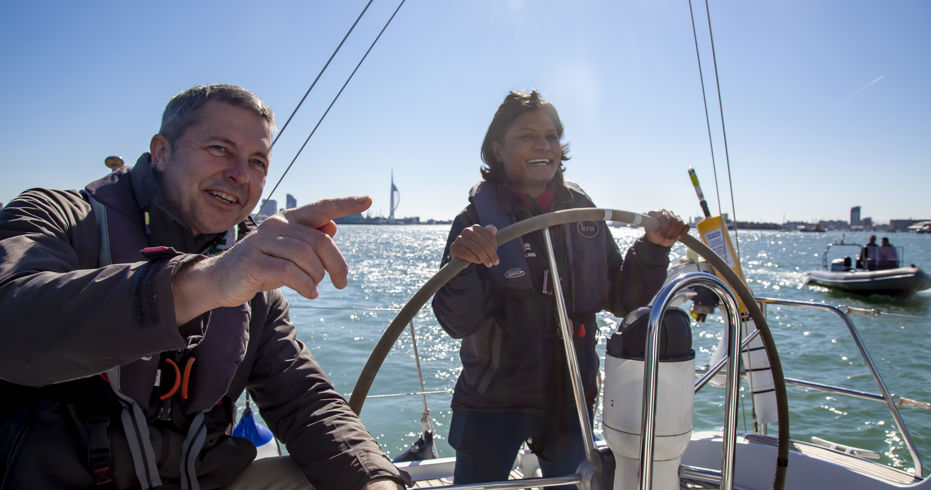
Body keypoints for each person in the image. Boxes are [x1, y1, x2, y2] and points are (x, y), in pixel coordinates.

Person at [0, 84, 407, 490]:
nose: (240, 175)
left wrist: (373, 478)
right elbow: (11, 325)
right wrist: (207, 282)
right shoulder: (57, 217)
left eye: (257, 162)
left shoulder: (255, 278)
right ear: (161, 152)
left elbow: (301, 397)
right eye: (219, 149)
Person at [430, 90, 689, 487]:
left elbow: (623, 297)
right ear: (497, 148)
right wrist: (462, 264)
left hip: (571, 399)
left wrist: (654, 249)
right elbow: (457, 322)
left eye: (551, 136)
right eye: (527, 136)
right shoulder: (473, 223)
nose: (544, 145)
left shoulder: (583, 215)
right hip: (492, 401)